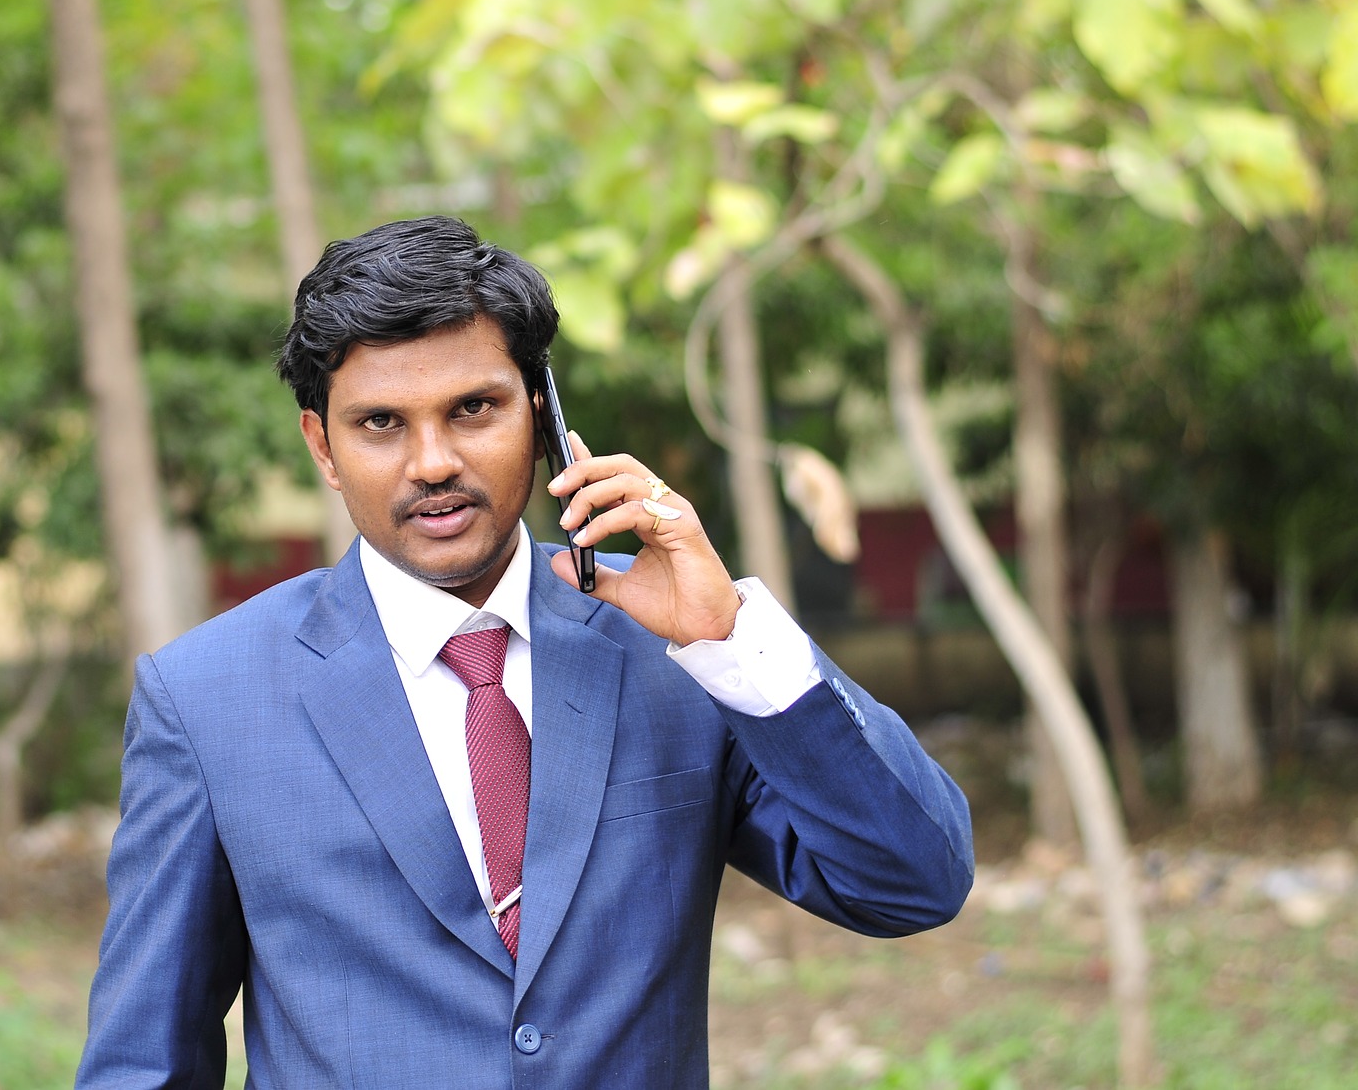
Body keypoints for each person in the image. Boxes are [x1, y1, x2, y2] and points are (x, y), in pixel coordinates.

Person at [74, 216, 972, 1088]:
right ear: (324, 447)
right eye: (381, 422)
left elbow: (912, 883)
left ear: (541, 416)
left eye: (474, 408)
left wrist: (728, 635)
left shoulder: (677, 648)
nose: (433, 461)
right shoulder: (206, 698)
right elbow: (143, 1064)